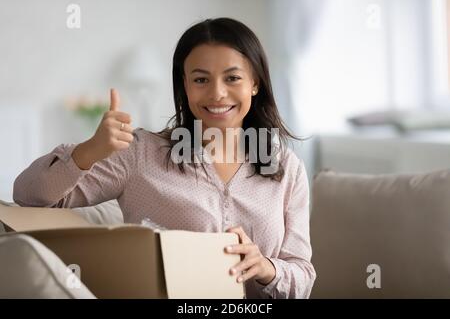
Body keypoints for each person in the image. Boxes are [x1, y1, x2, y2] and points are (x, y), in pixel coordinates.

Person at [13, 17, 316, 299]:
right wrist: (89, 151)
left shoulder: (288, 169)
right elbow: (29, 194)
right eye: (200, 80)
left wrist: (267, 268)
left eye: (232, 78)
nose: (217, 93)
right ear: (184, 86)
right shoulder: (141, 153)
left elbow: (302, 276)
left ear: (255, 83)